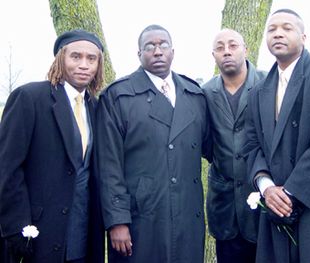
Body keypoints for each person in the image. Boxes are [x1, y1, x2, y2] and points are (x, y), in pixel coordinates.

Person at [96, 24, 211, 263]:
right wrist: (117, 221)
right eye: (149, 46)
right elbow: (109, 166)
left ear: (173, 51)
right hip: (142, 219)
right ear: (139, 54)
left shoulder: (194, 95)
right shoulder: (118, 96)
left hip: (188, 216)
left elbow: (213, 149)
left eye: (163, 45)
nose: (157, 51)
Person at [243, 9, 310, 263]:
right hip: (274, 207)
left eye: (287, 28)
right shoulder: (258, 92)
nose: (278, 33)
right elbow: (252, 146)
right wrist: (267, 188)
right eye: (271, 29)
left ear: (303, 36)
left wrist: (290, 196)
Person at [0, 29, 105, 263]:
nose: (84, 65)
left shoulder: (97, 108)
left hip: (82, 236)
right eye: (75, 56)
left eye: (91, 58)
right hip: (37, 235)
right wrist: (16, 228)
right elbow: (7, 168)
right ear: (60, 59)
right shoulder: (29, 98)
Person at [202, 28, 265, 263]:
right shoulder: (205, 93)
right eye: (220, 48)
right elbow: (205, 143)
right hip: (224, 207)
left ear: (246, 49)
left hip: (264, 202)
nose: (226, 52)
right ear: (213, 55)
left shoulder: (267, 85)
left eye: (233, 45)